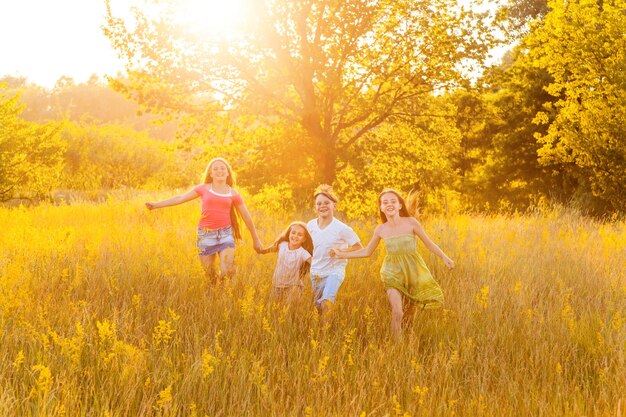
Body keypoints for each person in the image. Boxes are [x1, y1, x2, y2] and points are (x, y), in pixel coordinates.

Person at [330, 188, 455, 340]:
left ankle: (408, 341)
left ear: (400, 205)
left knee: (409, 314)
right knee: (398, 311)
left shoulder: (411, 223)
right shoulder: (381, 229)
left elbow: (429, 244)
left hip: (412, 271)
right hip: (391, 271)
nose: (389, 204)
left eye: (393, 201)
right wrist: (341, 254)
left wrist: (445, 257)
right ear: (381, 207)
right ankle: (397, 347)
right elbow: (366, 252)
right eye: (385, 202)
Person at [145, 157, 262, 280]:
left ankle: (223, 292)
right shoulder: (204, 188)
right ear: (211, 174)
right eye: (215, 169)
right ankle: (214, 295)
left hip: (225, 234)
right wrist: (156, 204)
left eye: (223, 168)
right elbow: (180, 198)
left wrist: (256, 239)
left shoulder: (233, 194)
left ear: (228, 173)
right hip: (205, 235)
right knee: (209, 275)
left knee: (226, 271)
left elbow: (247, 217)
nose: (219, 171)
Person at [307, 184, 363, 319]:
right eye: (319, 203)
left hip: (334, 271)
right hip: (316, 272)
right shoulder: (310, 225)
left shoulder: (342, 228)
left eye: (327, 203)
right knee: (318, 308)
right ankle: (321, 330)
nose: (322, 206)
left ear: (334, 206)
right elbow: (308, 247)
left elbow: (359, 248)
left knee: (326, 303)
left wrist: (340, 252)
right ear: (315, 208)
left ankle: (324, 337)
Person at [258, 221, 313, 303]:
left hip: (293, 286)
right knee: (276, 308)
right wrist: (261, 251)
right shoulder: (282, 245)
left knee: (289, 309)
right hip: (277, 284)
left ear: (304, 239)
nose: (295, 236)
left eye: (299, 234)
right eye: (293, 233)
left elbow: (314, 263)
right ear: (289, 234)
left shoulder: (302, 252)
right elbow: (271, 249)